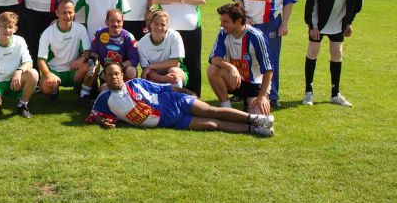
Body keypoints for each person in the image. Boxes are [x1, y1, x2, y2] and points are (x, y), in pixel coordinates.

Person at [86, 63, 274, 136]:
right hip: (167, 120)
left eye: (117, 73)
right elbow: (94, 114)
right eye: (110, 75)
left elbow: (164, 87)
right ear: (105, 78)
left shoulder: (135, 83)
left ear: (122, 75)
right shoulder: (105, 99)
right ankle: (256, 129)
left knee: (212, 111)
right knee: (212, 124)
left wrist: (185, 91)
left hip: (174, 101)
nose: (114, 77)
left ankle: (257, 119)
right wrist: (101, 121)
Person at [230, 0, 297, 107]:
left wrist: (284, 23)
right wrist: (243, 18)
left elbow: (288, 0)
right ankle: (242, 92)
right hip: (248, 23)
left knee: (271, 60)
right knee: (245, 58)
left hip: (271, 24)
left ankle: (272, 96)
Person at [302, 0, 364, 107]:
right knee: (312, 52)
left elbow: (357, 0)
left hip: (339, 22)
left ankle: (335, 94)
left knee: (337, 53)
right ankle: (308, 93)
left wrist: (349, 22)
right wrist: (312, 25)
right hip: (319, 22)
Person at [151, 0, 206, 97]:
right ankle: (171, 94)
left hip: (191, 28)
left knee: (193, 63)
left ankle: (194, 96)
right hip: (168, 29)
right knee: (171, 64)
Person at [207, 3, 274, 115]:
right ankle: (227, 110)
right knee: (212, 70)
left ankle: (251, 103)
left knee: (258, 117)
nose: (221, 25)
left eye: (225, 21)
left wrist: (262, 96)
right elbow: (214, 58)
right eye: (221, 21)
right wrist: (232, 68)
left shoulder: (256, 37)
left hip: (255, 85)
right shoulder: (223, 33)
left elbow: (268, 69)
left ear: (238, 21)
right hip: (235, 81)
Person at [0, 12, 39, 118]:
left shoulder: (20, 41)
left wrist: (19, 71)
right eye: (4, 27)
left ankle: (22, 105)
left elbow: (29, 62)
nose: (7, 30)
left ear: (15, 29)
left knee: (33, 74)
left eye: (10, 27)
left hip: (15, 81)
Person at [37, 0, 94, 102]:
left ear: (74, 12)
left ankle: (82, 93)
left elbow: (87, 50)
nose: (67, 16)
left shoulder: (80, 28)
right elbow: (41, 60)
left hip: (74, 70)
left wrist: (81, 58)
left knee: (91, 65)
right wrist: (48, 75)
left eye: (70, 12)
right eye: (64, 12)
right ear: (57, 13)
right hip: (55, 71)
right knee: (45, 87)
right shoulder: (47, 33)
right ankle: (54, 90)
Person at [137, 11, 188, 90]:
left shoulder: (174, 36)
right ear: (150, 24)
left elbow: (174, 62)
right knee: (148, 80)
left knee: (173, 72)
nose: (159, 27)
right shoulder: (142, 43)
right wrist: (163, 78)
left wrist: (152, 66)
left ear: (167, 26)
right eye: (156, 24)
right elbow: (146, 71)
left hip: (175, 69)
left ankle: (175, 96)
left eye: (163, 25)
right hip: (154, 74)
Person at [90, 8, 139, 83]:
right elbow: (94, 53)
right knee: (90, 66)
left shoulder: (129, 37)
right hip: (107, 71)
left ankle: (129, 89)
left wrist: (117, 67)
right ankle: (90, 88)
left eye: (118, 21)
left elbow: (134, 60)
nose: (115, 24)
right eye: (112, 21)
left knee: (131, 71)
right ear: (106, 22)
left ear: (123, 22)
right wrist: (93, 65)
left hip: (123, 69)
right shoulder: (99, 34)